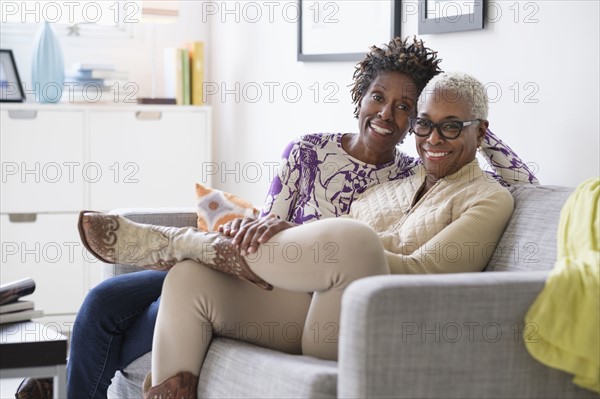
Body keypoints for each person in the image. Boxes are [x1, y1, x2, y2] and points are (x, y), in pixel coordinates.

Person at [16, 38, 535, 399]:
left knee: (354, 243)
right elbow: (269, 223)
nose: (425, 134)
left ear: (476, 130)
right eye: (425, 122)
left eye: (445, 125)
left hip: (359, 310)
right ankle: (194, 259)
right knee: (178, 284)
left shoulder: (479, 195)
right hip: (277, 285)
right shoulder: (375, 178)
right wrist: (285, 240)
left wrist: (479, 131)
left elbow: (509, 197)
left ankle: (186, 242)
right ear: (363, 97)